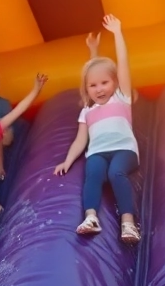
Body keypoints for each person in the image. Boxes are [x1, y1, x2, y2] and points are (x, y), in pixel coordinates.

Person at [54, 14, 141, 242]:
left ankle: (128, 224)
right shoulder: (87, 110)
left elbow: (122, 64)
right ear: (86, 89)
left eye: (105, 83)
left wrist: (118, 33)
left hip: (124, 150)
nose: (99, 89)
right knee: (92, 174)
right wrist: (68, 160)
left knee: (116, 173)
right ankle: (91, 217)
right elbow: (80, 141)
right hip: (98, 152)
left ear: (115, 82)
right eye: (93, 86)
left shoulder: (122, 98)